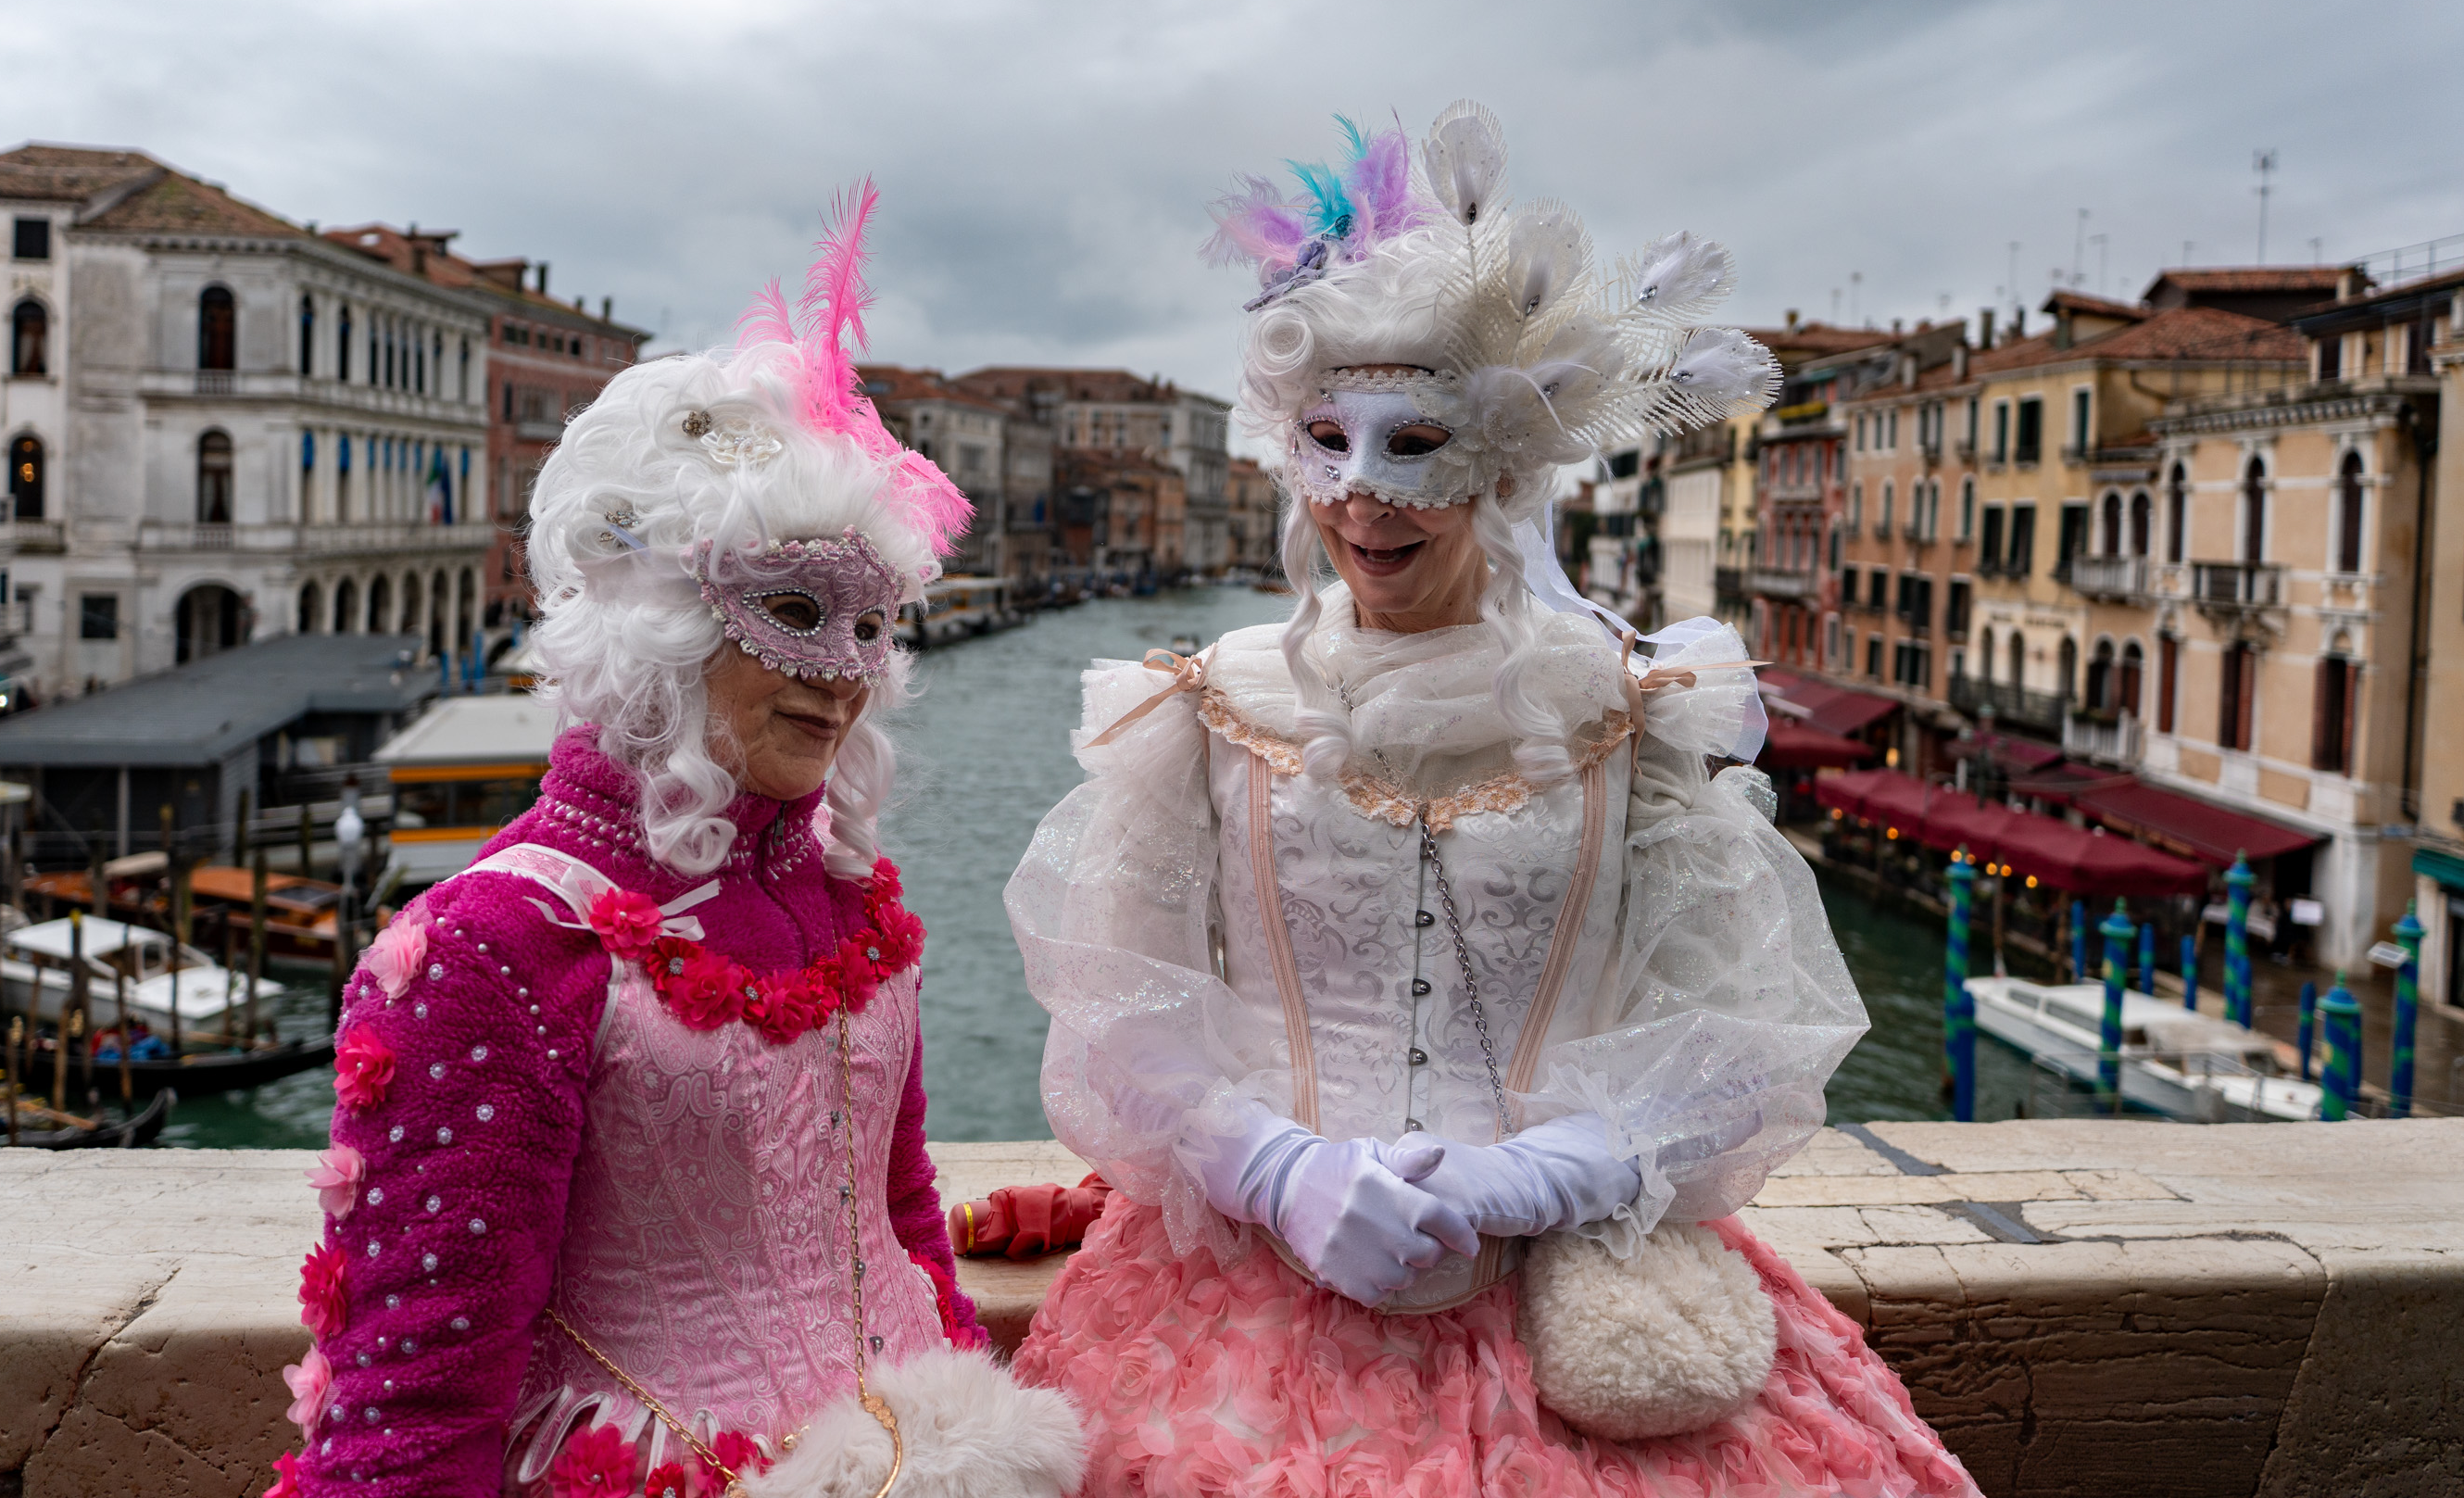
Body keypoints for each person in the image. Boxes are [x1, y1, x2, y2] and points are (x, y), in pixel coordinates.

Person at [1008, 105, 1976, 1494]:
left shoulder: (1633, 713)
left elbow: (1741, 1035)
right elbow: (1118, 1014)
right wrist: (1272, 1167)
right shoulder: (1205, 707)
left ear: (1507, 466)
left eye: (1414, 446)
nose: (1362, 498)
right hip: (1247, 1296)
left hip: (1574, 1302)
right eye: (1327, 443)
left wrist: (1558, 1171)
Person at [272, 186, 1070, 1496]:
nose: (843, 674)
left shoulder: (850, 896)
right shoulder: (493, 947)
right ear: (661, 621)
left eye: (872, 627)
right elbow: (414, 1410)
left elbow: (900, 1223)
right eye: (795, 611)